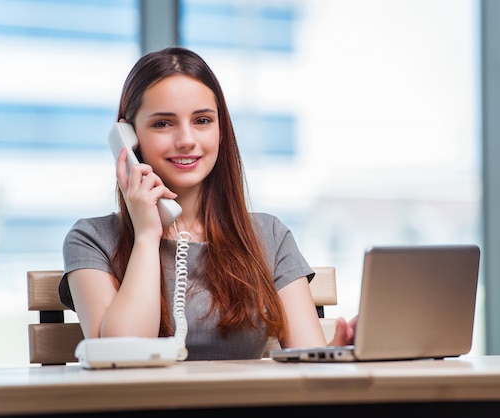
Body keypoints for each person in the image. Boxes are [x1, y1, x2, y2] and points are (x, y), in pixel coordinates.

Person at [59, 46, 356, 360]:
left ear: (221, 130)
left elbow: (307, 361)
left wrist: (338, 349)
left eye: (202, 120)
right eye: (163, 123)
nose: (187, 139)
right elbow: (118, 356)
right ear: (128, 137)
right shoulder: (90, 239)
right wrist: (147, 236)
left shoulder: (269, 235)